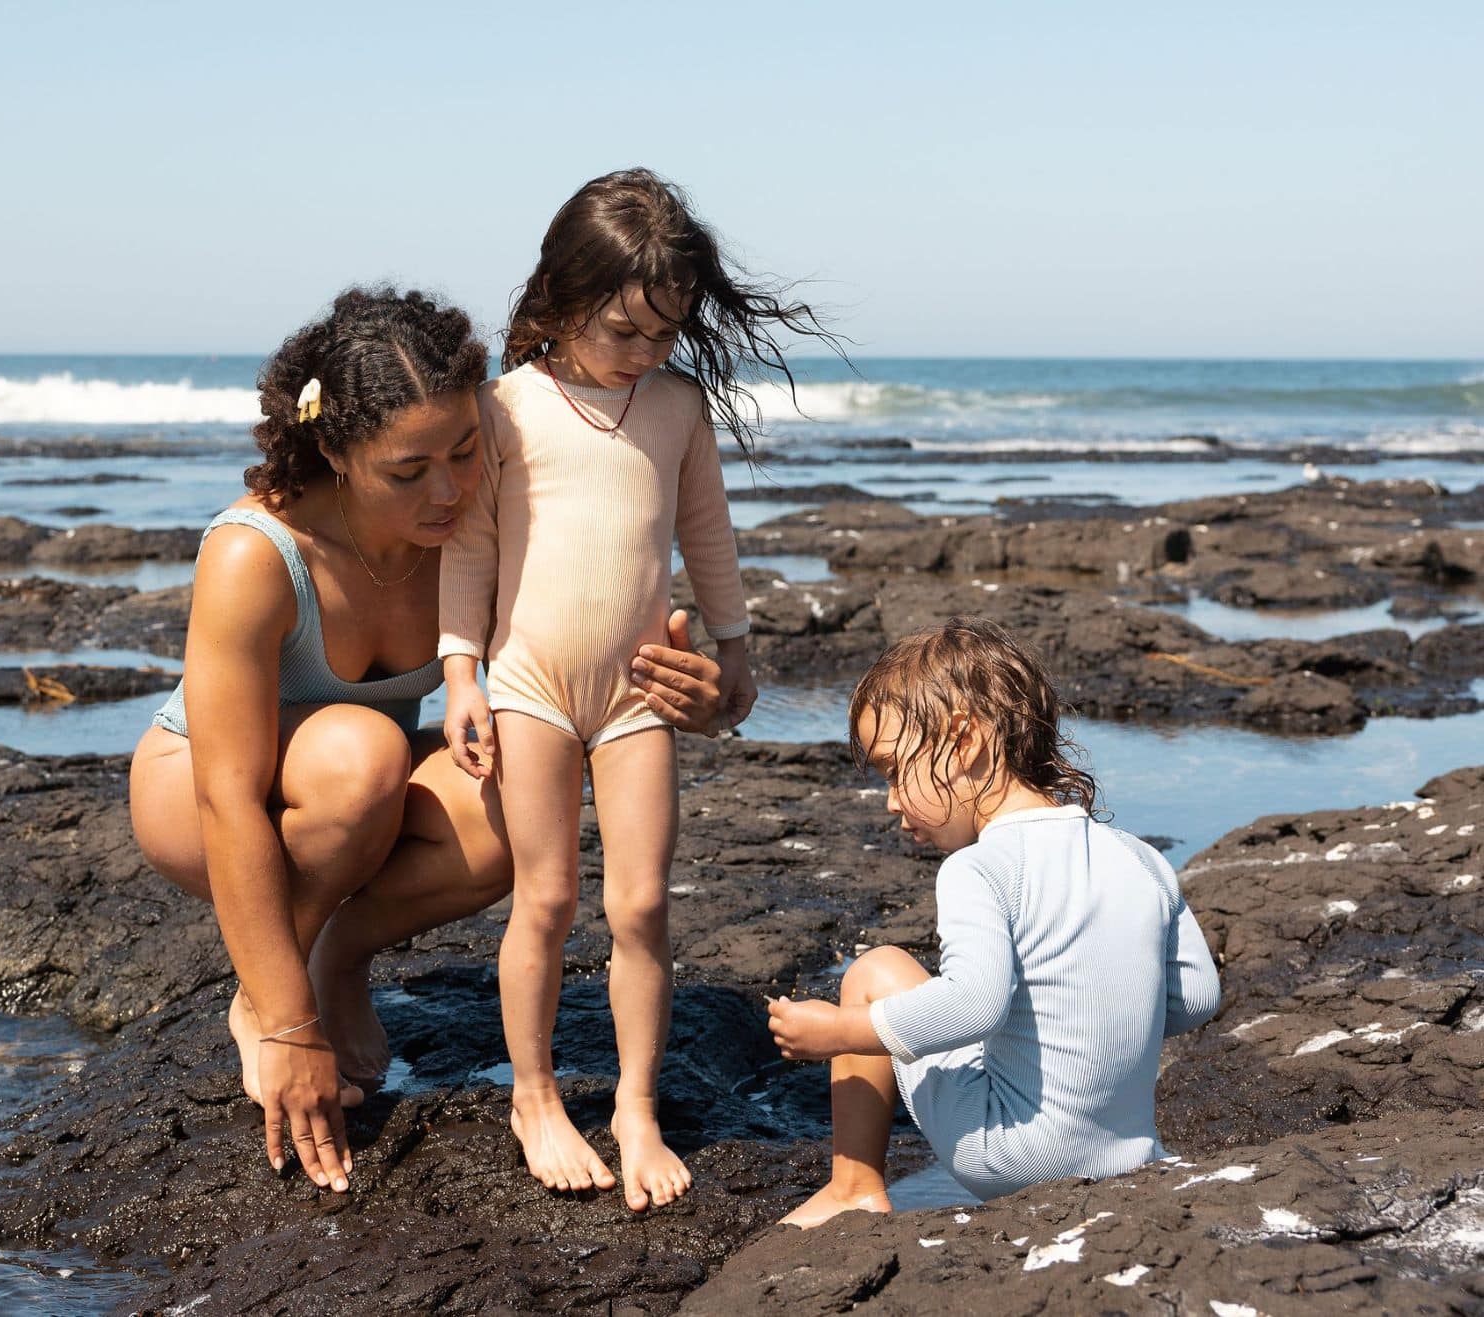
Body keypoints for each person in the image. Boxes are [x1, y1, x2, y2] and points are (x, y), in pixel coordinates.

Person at [128, 287, 733, 1195]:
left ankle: (340, 954)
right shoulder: (256, 553)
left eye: (465, 450)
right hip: (202, 794)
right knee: (362, 755)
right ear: (335, 449)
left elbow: (591, 622)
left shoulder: (468, 529)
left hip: (353, 795)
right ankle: (275, 987)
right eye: (410, 470)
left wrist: (705, 688)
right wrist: (287, 1024)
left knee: (518, 815)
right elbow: (228, 795)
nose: (449, 488)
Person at [438, 168, 842, 1212]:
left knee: (645, 902)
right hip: (527, 685)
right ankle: (533, 1096)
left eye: (667, 333)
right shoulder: (507, 409)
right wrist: (459, 674)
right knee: (548, 896)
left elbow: (706, 531)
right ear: (563, 300)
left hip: (637, 696)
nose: (648, 352)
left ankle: (634, 1108)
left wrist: (738, 648)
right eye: (626, 330)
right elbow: (473, 551)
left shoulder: (675, 407)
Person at [766, 617, 1222, 1225]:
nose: (892, 800)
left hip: (1013, 1156)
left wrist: (840, 1034)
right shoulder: (1139, 857)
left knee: (877, 969)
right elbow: (1196, 997)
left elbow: (975, 1002)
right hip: (1131, 1159)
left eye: (895, 770)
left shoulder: (977, 868)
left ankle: (853, 1187)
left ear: (964, 741)